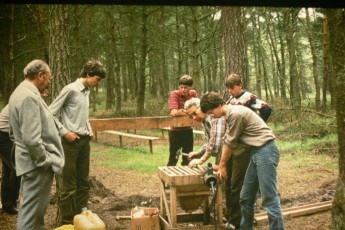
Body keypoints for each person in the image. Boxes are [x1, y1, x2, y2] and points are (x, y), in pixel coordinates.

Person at [200, 92, 284, 230]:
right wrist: (220, 164)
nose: (211, 116)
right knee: (245, 198)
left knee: (269, 199)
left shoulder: (236, 114)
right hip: (256, 152)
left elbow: (230, 143)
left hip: (266, 151)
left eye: (211, 112)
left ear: (219, 105)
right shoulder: (230, 115)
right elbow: (227, 141)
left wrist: (222, 166)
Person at [8, 59, 65, 230]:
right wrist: (45, 162)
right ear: (40, 75)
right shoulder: (28, 97)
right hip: (37, 167)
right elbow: (32, 139)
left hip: (30, 164)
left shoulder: (18, 93)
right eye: (49, 78)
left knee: (35, 215)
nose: (49, 82)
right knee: (31, 217)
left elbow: (12, 133)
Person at [49, 59, 106, 227]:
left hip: (84, 142)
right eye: (97, 79)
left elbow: (82, 115)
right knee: (69, 186)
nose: (98, 83)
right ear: (88, 75)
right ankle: (67, 223)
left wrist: (88, 128)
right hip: (70, 144)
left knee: (84, 183)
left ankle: (83, 219)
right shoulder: (70, 90)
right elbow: (50, 113)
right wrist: (64, 132)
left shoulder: (86, 92)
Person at [185, 97, 251, 230]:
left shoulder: (215, 117)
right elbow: (210, 142)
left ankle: (237, 221)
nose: (194, 117)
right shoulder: (206, 121)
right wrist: (198, 153)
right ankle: (232, 218)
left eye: (194, 113)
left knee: (235, 186)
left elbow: (216, 144)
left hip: (237, 151)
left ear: (201, 108)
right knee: (228, 186)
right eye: (190, 115)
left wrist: (202, 160)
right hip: (229, 152)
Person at [167, 75, 198, 166]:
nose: (183, 89)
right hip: (175, 130)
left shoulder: (193, 94)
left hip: (188, 130)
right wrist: (188, 112)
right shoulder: (175, 94)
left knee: (188, 157)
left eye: (186, 87)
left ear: (190, 87)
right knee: (173, 158)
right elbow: (173, 112)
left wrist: (182, 111)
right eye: (181, 87)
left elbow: (197, 110)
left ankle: (186, 177)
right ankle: (169, 179)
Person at [0, 104, 21, 215]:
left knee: (8, 171)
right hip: (4, 135)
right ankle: (10, 203)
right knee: (18, 169)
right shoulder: (26, 99)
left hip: (5, 134)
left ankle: (8, 204)